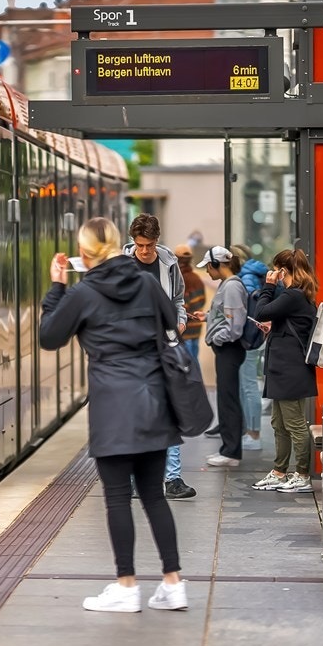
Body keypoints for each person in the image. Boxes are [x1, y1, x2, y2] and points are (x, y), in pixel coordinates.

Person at [40, 217, 188, 613]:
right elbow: (171, 323)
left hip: (113, 407)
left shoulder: (84, 292)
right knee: (155, 496)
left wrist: (56, 287)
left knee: (118, 498)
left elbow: (49, 337)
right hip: (155, 399)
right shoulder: (147, 283)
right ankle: (173, 585)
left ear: (84, 254)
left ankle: (126, 586)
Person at [122, 214, 198, 500]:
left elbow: (178, 299)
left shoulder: (168, 263)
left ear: (156, 240)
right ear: (133, 242)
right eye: (140, 245)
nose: (144, 251)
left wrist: (179, 320)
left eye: (149, 245)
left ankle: (172, 479)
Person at [248, 249, 319, 494]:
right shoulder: (296, 296)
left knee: (295, 424)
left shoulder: (293, 295)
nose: (273, 273)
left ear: (282, 270)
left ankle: (302, 475)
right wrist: (275, 329)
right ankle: (279, 472)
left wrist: (268, 286)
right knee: (279, 423)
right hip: (284, 367)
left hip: (291, 369)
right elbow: (285, 322)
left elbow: (261, 311)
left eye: (275, 269)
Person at [198, 245, 249, 468]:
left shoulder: (231, 287)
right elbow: (224, 315)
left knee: (228, 399)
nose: (208, 272)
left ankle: (231, 451)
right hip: (227, 348)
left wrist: (216, 338)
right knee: (225, 397)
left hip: (229, 348)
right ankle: (228, 449)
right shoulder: (228, 285)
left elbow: (235, 326)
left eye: (209, 267)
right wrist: (208, 317)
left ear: (218, 265)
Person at [232, 244, 271, 451]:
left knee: (248, 386)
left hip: (248, 338)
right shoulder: (251, 273)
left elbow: (245, 311)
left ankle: (254, 434)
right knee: (247, 385)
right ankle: (250, 431)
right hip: (253, 337)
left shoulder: (245, 278)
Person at [174, 246, 207, 362]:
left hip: (185, 329)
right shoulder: (196, 278)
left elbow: (182, 305)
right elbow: (203, 300)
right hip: (196, 327)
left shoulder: (179, 278)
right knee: (194, 360)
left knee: (188, 364)